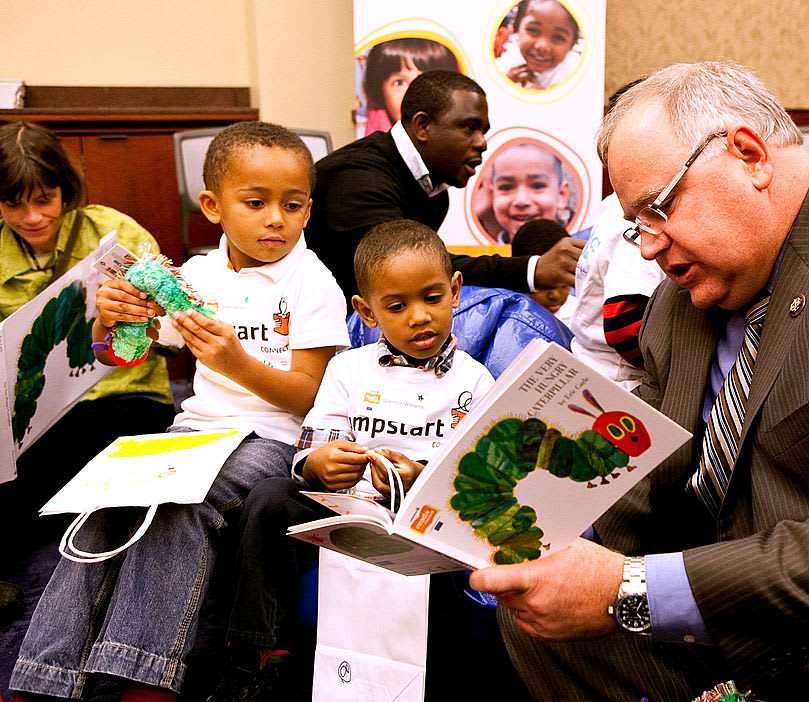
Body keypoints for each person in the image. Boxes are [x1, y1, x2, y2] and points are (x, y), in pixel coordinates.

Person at [470, 61, 809, 701]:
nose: (647, 248)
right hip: (759, 629)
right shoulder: (684, 301)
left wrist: (628, 589)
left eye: (658, 209)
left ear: (749, 155)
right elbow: (649, 475)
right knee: (543, 632)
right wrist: (509, 521)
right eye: (636, 225)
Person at [9, 121, 348, 702]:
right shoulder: (194, 276)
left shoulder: (312, 281)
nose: (276, 219)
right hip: (192, 433)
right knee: (103, 506)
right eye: (256, 202)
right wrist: (111, 319)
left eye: (292, 206)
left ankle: (141, 676)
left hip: (273, 442)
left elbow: (314, 396)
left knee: (180, 509)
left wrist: (237, 364)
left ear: (309, 210)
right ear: (213, 207)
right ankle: (45, 676)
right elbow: (121, 354)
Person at [212, 220, 520, 701]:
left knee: (453, 550)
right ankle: (256, 658)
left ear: (455, 292)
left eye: (432, 299)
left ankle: (438, 675)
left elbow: (480, 477)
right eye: (397, 307)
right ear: (367, 311)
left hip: (423, 516)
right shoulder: (347, 370)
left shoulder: (476, 382)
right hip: (344, 505)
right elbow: (311, 447)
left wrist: (421, 477)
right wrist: (320, 464)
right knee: (269, 497)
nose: (419, 317)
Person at [0, 120, 176, 618]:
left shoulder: (111, 232)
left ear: (65, 189)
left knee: (69, 457)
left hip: (123, 392)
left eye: (45, 199)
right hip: (28, 410)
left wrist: (134, 313)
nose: (32, 217)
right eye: (14, 203)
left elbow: (175, 327)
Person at [306, 69, 582, 312]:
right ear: (423, 126)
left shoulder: (435, 193)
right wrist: (533, 270)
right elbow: (410, 266)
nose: (482, 143)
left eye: (483, 131)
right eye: (469, 128)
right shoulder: (357, 179)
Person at [567, 193, 665, 391]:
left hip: (594, 368)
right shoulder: (640, 210)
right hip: (624, 382)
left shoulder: (613, 204)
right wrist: (675, 373)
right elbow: (623, 323)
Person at [362, 38, 459, 137]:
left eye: (426, 81)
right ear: (380, 93)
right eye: (399, 83)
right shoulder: (368, 149)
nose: (413, 93)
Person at [489, 143, 571, 244]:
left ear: (561, 194)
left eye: (537, 186)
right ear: (493, 195)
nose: (521, 201)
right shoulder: (484, 256)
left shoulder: (581, 255)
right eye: (506, 187)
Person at [495, 0, 581, 91]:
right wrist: (505, 81)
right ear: (518, 30)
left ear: (572, 44)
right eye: (533, 30)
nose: (542, 46)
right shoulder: (511, 59)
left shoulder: (576, 73)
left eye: (558, 37)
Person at [510, 218, 574, 322]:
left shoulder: (581, 315)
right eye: (544, 287)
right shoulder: (503, 321)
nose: (555, 295)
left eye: (564, 285)